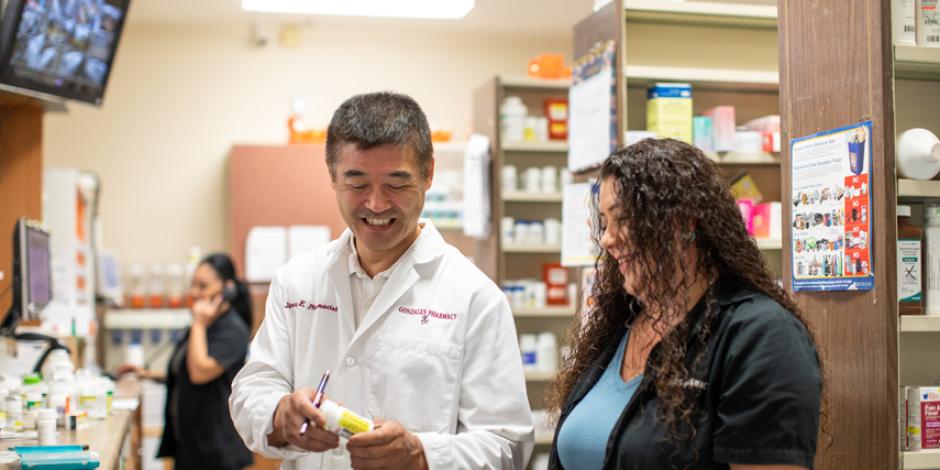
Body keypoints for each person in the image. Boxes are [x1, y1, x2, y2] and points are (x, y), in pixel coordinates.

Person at [229, 91, 533, 470]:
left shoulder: (475, 297)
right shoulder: (297, 281)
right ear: (332, 176)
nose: (376, 204)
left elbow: (507, 445)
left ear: (428, 174)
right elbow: (251, 388)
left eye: (396, 183)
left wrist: (421, 454)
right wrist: (279, 414)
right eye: (356, 183)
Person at [547, 138, 823, 470]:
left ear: (683, 223)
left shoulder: (761, 336)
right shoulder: (621, 323)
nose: (607, 239)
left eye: (622, 219)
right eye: (605, 223)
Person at [118, 253, 253, 470]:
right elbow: (186, 371)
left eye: (203, 286)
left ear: (227, 289)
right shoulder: (207, 326)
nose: (195, 293)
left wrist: (199, 323)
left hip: (216, 449)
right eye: (193, 285)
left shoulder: (233, 330)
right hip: (190, 444)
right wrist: (147, 374)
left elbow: (200, 373)